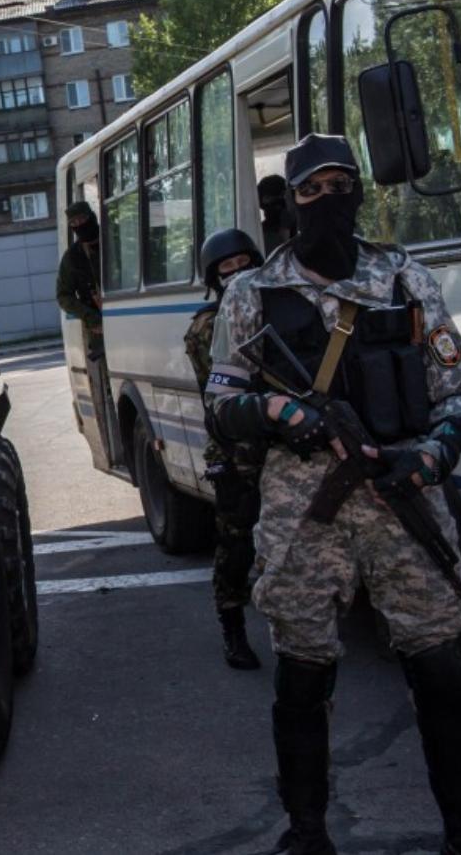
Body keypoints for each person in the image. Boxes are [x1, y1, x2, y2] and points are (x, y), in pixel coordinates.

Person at [205, 134, 461, 855]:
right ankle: (307, 831)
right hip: (306, 515)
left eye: (341, 185)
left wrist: (430, 455)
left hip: (401, 500)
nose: (329, 201)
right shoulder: (251, 294)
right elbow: (222, 401)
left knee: (439, 671)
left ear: (360, 191)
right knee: (303, 674)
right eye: (311, 190)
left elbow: (457, 389)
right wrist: (280, 413)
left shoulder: (405, 281)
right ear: (290, 202)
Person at [185, 228, 267, 671]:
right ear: (213, 278)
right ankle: (232, 629)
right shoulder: (205, 328)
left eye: (244, 264)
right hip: (233, 451)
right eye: (226, 269)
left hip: (279, 448)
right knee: (235, 546)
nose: (237, 274)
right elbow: (224, 390)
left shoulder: (277, 308)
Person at [57, 201, 103, 359]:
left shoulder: (115, 238)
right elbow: (64, 296)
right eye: (74, 223)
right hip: (100, 330)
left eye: (82, 219)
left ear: (92, 217)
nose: (79, 225)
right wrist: (92, 318)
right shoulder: (72, 257)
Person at [259, 174, 295, 253]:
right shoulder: (260, 233)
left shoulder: (302, 227)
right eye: (268, 198)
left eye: (282, 196)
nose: (278, 201)